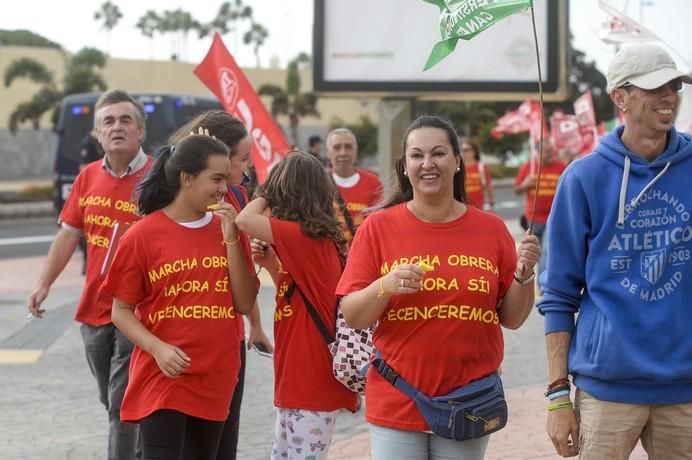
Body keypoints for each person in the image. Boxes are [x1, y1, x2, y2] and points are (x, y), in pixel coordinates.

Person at [335, 115, 540, 460]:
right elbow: (353, 315)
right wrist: (385, 286)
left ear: (458, 162)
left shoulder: (491, 230)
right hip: (398, 398)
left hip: (470, 399)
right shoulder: (377, 228)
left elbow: (512, 318)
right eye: (417, 156)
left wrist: (524, 275)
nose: (427, 164)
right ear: (404, 166)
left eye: (439, 153)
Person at [537, 43, 692, 459]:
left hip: (686, 390)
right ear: (619, 96)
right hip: (606, 389)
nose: (668, 97)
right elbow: (557, 296)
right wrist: (557, 397)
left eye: (674, 85)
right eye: (653, 87)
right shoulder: (583, 179)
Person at [101, 134, 258, 459]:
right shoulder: (142, 236)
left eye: (225, 179)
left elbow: (243, 303)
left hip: (216, 375)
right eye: (216, 179)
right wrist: (158, 348)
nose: (223, 189)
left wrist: (230, 238)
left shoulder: (229, 229)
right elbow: (121, 311)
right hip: (164, 375)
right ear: (187, 178)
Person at [26, 89, 152, 460]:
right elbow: (68, 234)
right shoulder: (86, 178)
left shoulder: (159, 178)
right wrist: (43, 284)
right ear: (97, 134)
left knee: (120, 404)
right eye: (108, 122)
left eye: (126, 120)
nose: (117, 127)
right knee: (110, 399)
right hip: (94, 312)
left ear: (141, 131)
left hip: (138, 311)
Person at [235, 152, 359, 460]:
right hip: (297, 377)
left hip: (311, 381)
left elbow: (244, 219)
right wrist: (273, 265)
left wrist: (265, 193)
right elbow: (301, 296)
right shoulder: (310, 240)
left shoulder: (305, 237)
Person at [168, 110, 273, 460]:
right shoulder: (167, 209)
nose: (247, 168)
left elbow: (242, 277)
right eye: (242, 159)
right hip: (175, 345)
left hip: (226, 343)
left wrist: (256, 325)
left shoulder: (239, 201)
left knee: (222, 442)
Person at [513, 138, 566, 284]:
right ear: (538, 151)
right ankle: (531, 278)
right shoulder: (528, 168)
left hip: (552, 217)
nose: (551, 154)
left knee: (547, 252)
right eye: (547, 151)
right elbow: (516, 190)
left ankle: (543, 283)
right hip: (533, 217)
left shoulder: (562, 167)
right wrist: (525, 184)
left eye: (552, 151)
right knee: (533, 251)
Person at [326, 128, 383, 243]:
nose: (343, 153)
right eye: (337, 147)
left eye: (348, 147)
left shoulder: (374, 184)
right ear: (328, 152)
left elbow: (378, 225)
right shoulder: (318, 183)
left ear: (356, 151)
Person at [461, 138, 495, 211]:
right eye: (462, 150)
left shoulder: (481, 167)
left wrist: (492, 204)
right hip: (464, 208)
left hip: (479, 208)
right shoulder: (458, 168)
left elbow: (489, 186)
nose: (463, 152)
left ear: (474, 151)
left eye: (466, 150)